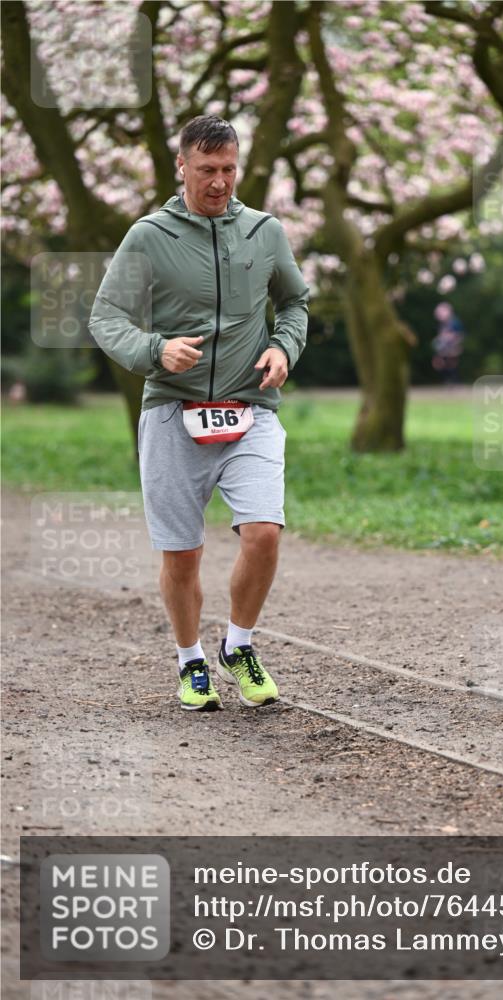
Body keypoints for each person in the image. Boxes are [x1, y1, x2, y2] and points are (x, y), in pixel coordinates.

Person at [89, 116, 309, 712]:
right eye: (207, 170)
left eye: (229, 170)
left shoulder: (264, 231)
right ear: (181, 166)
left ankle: (239, 646)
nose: (220, 183)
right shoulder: (148, 235)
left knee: (264, 533)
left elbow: (294, 302)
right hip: (173, 412)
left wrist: (282, 347)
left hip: (250, 407)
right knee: (182, 553)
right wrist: (154, 350)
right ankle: (191, 662)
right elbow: (106, 317)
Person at [431, 302, 465, 384]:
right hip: (444, 347)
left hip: (453, 346)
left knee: (451, 364)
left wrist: (452, 340)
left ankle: (454, 382)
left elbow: (460, 335)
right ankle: (448, 381)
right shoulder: (443, 324)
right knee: (441, 364)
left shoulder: (454, 322)